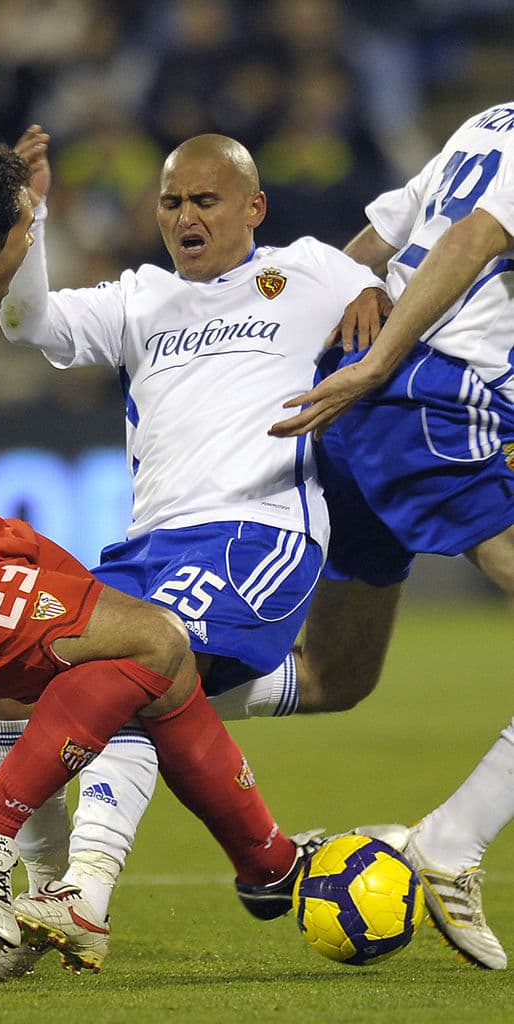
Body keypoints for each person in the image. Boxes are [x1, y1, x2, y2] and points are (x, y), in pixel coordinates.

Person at [0, 21, 340, 959]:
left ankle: (246, 867)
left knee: (105, 674)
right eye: (25, 234)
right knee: (152, 645)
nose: (32, 247)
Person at [0, 126, 405, 978]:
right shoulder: (142, 298)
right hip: (147, 547)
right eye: (171, 202)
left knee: (127, 679)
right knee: (15, 676)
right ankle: (40, 903)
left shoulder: (312, 270)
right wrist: (34, 215)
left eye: (205, 200)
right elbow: (26, 319)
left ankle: (84, 894)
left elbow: (387, 303)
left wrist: (372, 289)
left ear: (254, 207)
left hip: (255, 532)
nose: (184, 217)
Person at [270, 100, 514, 971]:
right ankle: (449, 844)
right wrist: (376, 364)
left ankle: (110, 697)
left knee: (335, 677)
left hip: (378, 401)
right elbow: (474, 237)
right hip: (433, 404)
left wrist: (324, 339)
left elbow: (379, 237)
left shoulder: (493, 120)